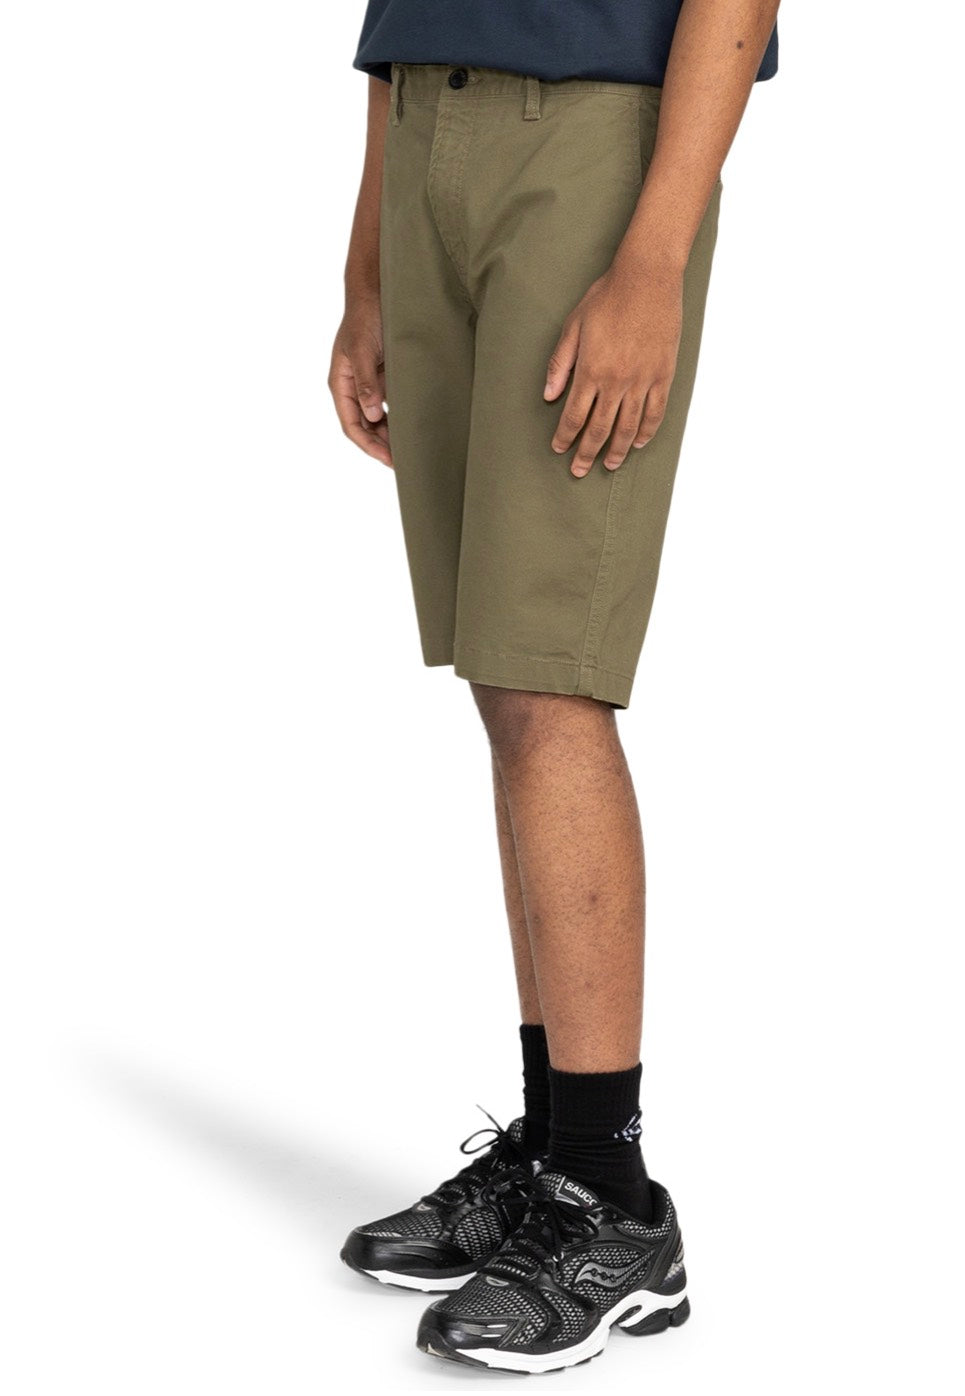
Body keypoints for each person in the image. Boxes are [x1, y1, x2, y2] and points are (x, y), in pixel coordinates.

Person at [330, 0, 780, 1374]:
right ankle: (551, 1156)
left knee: (547, 680)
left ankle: (610, 1202)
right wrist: (367, 260)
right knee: (503, 676)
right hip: (428, 115)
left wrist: (652, 256)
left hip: (592, 137)